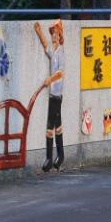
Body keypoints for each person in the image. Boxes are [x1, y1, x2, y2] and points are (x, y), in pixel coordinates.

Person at [34, 20, 65, 172]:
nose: (53, 36)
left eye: (56, 34)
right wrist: (39, 32)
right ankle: (60, 156)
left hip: (56, 94)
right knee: (57, 124)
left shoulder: (61, 52)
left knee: (50, 125)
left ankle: (49, 158)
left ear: (60, 36)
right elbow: (46, 46)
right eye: (52, 33)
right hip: (53, 93)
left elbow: (61, 72)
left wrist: (50, 79)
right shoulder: (53, 51)